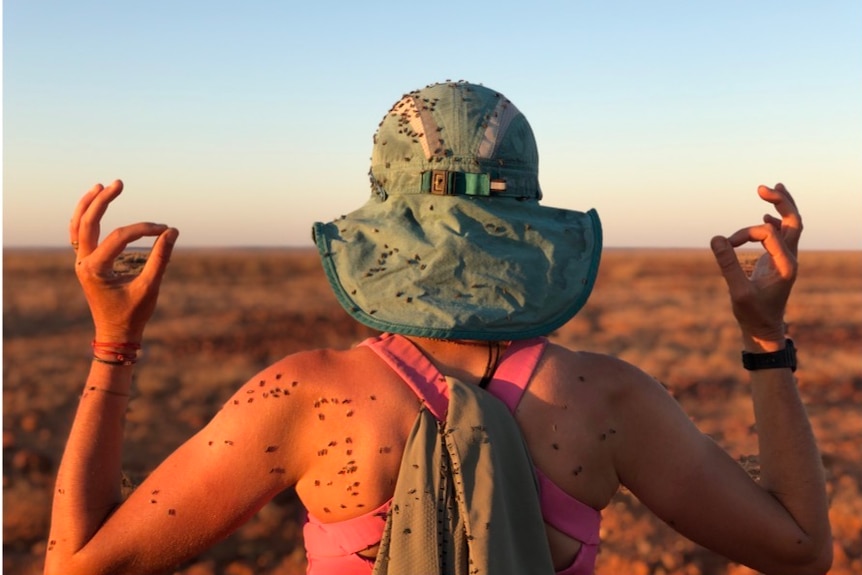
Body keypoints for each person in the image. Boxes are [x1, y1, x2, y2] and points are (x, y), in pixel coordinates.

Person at [45, 82, 831, 575]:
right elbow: (799, 550)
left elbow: (78, 565)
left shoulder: (307, 395)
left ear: (383, 218)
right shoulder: (607, 400)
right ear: (527, 218)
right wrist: (766, 339)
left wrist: (114, 345)